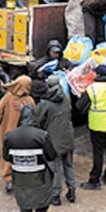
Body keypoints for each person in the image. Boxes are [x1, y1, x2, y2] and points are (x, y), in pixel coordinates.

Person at [3, 104, 57, 212]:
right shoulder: (41, 135)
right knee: (41, 207)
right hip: (40, 179)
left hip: (20, 179)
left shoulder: (10, 136)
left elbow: (6, 157)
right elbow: (52, 155)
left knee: (24, 208)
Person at [77, 65, 106, 190]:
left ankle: (94, 180)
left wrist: (82, 95)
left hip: (98, 125)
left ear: (97, 75)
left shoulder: (92, 89)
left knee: (98, 153)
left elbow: (79, 106)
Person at [36, 75, 76, 205]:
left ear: (48, 85)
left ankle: (55, 196)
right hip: (68, 137)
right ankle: (72, 191)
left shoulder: (45, 103)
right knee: (69, 165)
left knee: (55, 169)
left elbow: (38, 120)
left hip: (53, 140)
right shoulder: (67, 98)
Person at [0, 75, 35, 194]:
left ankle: (8, 179)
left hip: (8, 132)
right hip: (25, 135)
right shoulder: (30, 101)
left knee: (6, 156)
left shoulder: (8, 97)